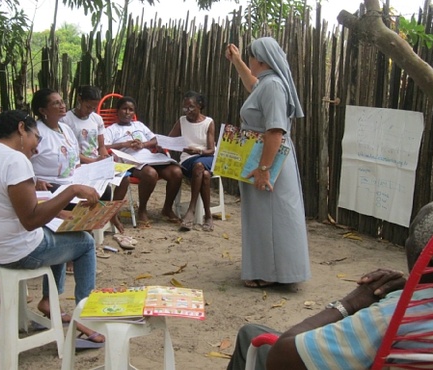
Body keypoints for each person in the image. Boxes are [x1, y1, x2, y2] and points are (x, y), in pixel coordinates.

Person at [226, 197, 433, 370]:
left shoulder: (392, 317)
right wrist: (415, 282)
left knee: (252, 335)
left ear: (427, 258)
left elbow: (282, 357)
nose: (407, 242)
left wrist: (350, 302)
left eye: (411, 237)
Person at [0, 110, 104, 347]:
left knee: (61, 233)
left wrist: (57, 211)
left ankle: (49, 301)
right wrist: (72, 191)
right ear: (21, 129)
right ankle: (85, 315)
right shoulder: (15, 160)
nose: (36, 147)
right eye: (36, 138)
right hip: (13, 252)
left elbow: (8, 204)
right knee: (85, 243)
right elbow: (30, 220)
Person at [225, 37, 310, 287]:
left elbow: (275, 130)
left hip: (270, 160)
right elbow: (253, 85)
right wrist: (237, 61)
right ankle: (271, 270)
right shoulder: (265, 83)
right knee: (265, 216)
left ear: (260, 60)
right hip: (262, 157)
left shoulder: (273, 86)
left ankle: (274, 274)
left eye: (250, 57)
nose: (249, 60)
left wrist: (264, 170)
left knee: (274, 216)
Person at [30, 88, 126, 233]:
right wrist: (35, 181)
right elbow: (22, 161)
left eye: (62, 101)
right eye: (56, 103)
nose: (62, 105)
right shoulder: (36, 133)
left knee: (104, 189)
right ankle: (81, 233)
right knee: (83, 196)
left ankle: (89, 230)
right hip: (50, 184)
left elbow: (75, 157)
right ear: (43, 110)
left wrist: (87, 170)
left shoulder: (65, 129)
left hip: (72, 179)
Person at [104, 96, 183, 227]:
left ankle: (167, 209)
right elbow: (104, 147)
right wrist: (125, 144)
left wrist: (143, 144)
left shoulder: (139, 125)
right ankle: (142, 210)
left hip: (149, 158)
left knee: (176, 172)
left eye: (131, 110)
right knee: (150, 174)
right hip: (130, 162)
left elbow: (155, 139)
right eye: (124, 109)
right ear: (117, 111)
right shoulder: (112, 129)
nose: (128, 112)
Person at [167, 91, 216, 232]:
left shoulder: (208, 122)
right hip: (187, 159)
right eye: (185, 108)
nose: (187, 111)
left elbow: (211, 150)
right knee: (204, 174)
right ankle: (208, 215)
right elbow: (170, 140)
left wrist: (198, 151)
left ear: (200, 106)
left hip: (206, 157)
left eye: (191, 107)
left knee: (200, 166)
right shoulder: (182, 121)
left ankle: (191, 210)